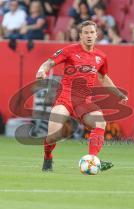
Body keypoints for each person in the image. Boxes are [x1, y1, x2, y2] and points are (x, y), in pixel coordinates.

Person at [36, 20, 128, 172]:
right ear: (80, 35)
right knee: (53, 135)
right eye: (86, 32)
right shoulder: (69, 50)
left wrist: (118, 94)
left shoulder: (101, 56)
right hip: (65, 98)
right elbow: (50, 62)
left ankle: (92, 159)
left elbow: (103, 77)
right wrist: (42, 70)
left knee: (100, 123)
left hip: (84, 101)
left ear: (97, 35)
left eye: (92, 32)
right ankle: (48, 157)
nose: (89, 35)